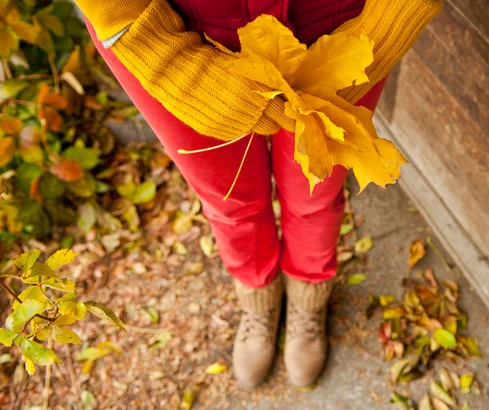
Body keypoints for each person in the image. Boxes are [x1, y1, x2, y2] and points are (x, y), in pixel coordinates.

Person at [75, 0, 442, 388]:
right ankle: (259, 298)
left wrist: (392, 21)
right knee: (227, 198)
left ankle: (308, 298)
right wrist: (165, 59)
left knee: (316, 191)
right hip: (163, 29)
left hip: (336, 22)